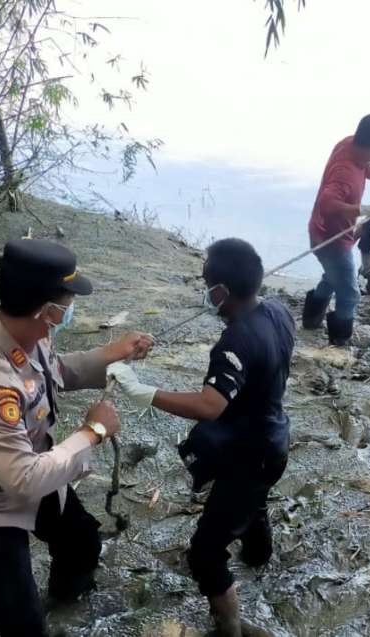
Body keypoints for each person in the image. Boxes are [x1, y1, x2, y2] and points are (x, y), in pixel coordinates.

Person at [0, 239, 155, 637]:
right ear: (48, 311)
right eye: (67, 304)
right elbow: (21, 478)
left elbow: (52, 373)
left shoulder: (24, 326)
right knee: (22, 621)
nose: (70, 312)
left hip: (36, 467)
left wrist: (111, 353)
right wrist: (94, 431)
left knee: (83, 543)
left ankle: (67, 609)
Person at [108, 238, 294, 637]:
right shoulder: (278, 312)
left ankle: (230, 627)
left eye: (206, 282)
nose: (203, 290)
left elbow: (211, 405)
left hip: (250, 454)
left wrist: (145, 392)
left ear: (221, 291)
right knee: (252, 502)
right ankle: (259, 556)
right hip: (274, 438)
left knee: (204, 553)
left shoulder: (235, 341)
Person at [303, 114, 370, 346]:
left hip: (329, 233)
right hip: (329, 240)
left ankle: (311, 320)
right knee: (349, 293)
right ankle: (339, 342)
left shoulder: (349, 144)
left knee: (332, 277)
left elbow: (364, 165)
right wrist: (365, 208)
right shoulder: (344, 173)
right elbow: (326, 204)